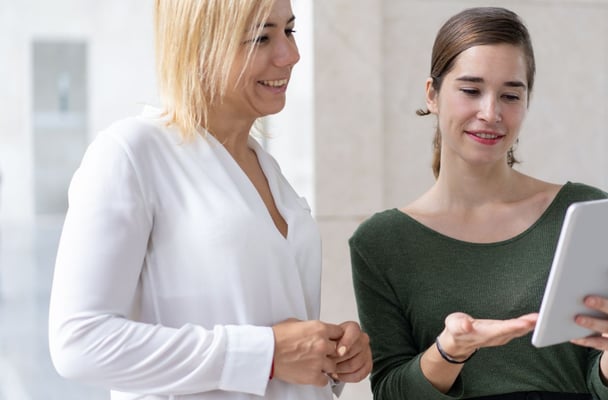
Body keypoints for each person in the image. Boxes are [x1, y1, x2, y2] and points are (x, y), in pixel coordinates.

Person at [48, 1, 371, 399]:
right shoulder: (131, 153)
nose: (291, 55)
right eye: (261, 38)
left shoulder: (268, 170)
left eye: (289, 31)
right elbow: (79, 343)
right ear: (200, 45)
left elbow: (278, 339)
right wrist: (266, 354)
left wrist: (328, 355)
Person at [349, 7, 608, 400]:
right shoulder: (381, 243)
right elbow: (391, 393)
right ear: (432, 94)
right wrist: (450, 351)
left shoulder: (583, 211)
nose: (490, 113)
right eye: (471, 90)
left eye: (510, 95)